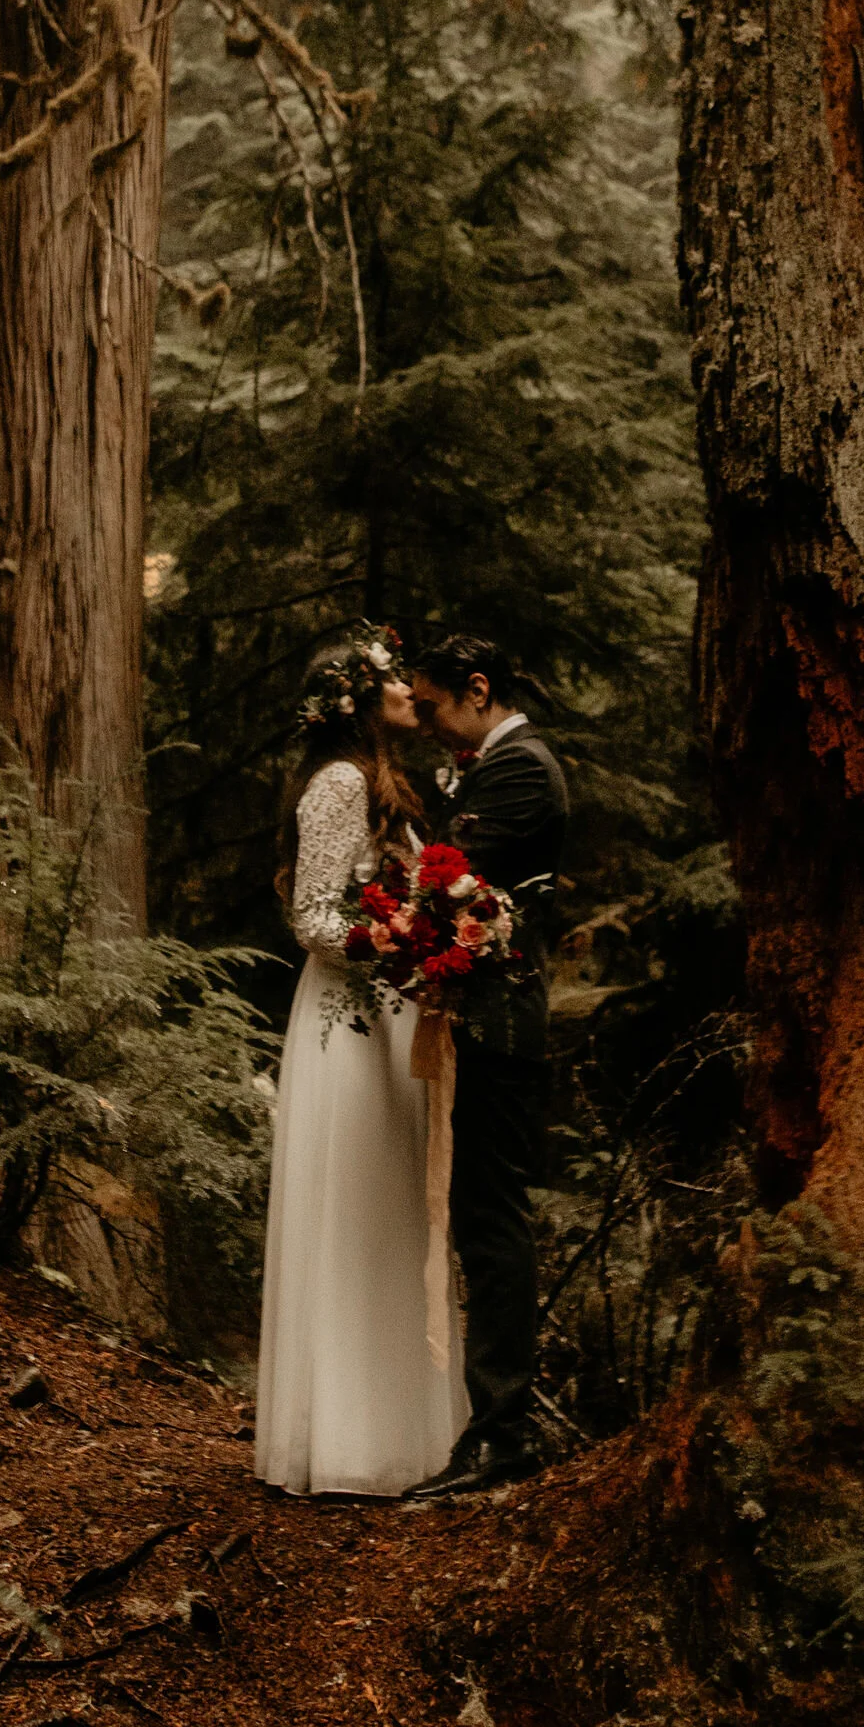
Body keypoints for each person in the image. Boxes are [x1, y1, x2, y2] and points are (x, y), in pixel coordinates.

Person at [252, 623, 466, 1499]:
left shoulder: (382, 785)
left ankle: (405, 1434)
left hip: (389, 1013)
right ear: (354, 700)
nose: (410, 692)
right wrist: (396, 943)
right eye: (390, 683)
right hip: (351, 1020)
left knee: (391, 1207)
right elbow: (312, 917)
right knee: (358, 1206)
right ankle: (345, 1438)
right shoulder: (339, 783)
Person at [403, 632, 568, 1500]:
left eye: (430, 706)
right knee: (478, 1218)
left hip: (502, 1023)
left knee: (492, 1222)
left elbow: (447, 882)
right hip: (482, 1018)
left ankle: (505, 1431)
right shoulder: (496, 766)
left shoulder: (523, 769)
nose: (426, 724)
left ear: (476, 689)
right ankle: (496, 1424)